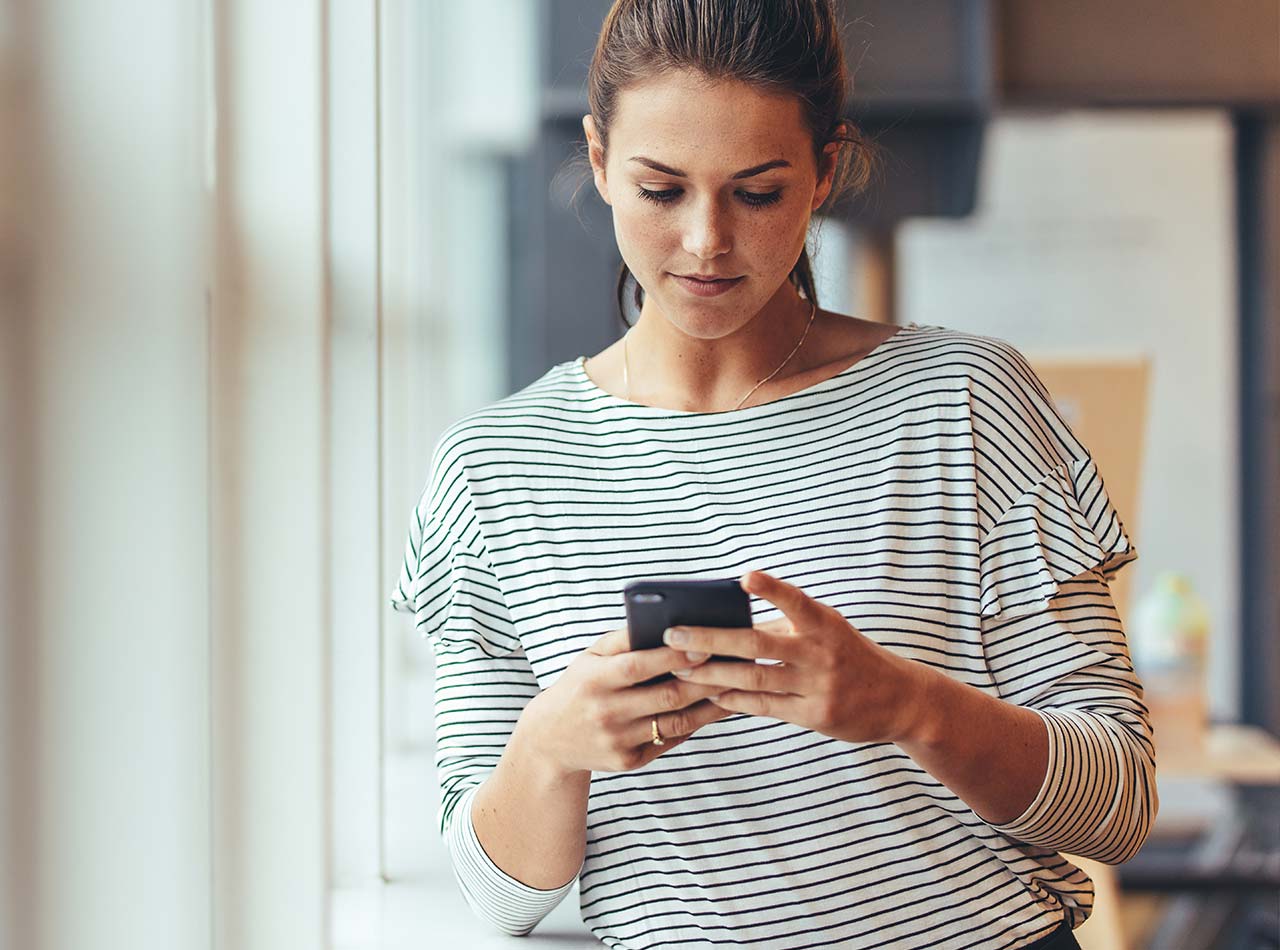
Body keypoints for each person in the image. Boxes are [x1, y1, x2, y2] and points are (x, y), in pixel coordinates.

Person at [389, 1, 1157, 947]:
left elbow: (1119, 803)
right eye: (661, 191)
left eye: (756, 192)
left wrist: (911, 705)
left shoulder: (965, 399)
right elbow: (499, 897)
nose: (708, 241)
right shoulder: (494, 469)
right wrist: (552, 747)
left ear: (825, 169)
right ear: (598, 161)